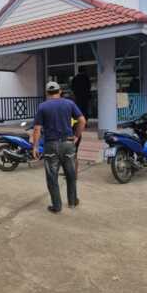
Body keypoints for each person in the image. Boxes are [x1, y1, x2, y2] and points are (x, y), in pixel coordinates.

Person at [32, 81, 86, 213]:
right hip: (68, 144)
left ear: (47, 93)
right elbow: (82, 121)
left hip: (51, 145)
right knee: (71, 174)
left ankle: (57, 206)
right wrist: (76, 135)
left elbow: (37, 129)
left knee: (52, 177)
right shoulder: (69, 103)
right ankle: (72, 202)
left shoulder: (42, 107)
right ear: (60, 91)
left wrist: (35, 147)